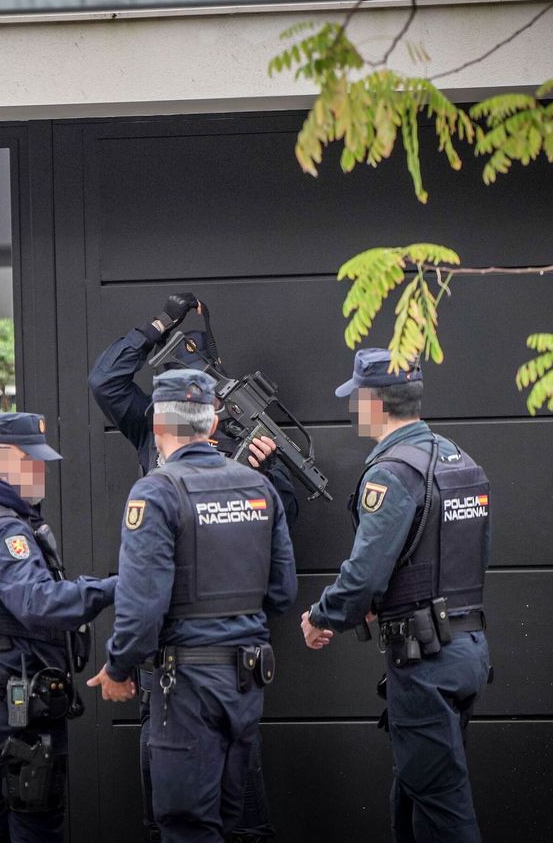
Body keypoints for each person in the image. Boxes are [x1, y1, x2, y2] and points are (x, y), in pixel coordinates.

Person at [87, 292, 295, 843]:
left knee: (196, 822)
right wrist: (159, 322)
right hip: (233, 666)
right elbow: (281, 590)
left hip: (184, 666)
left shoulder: (239, 455)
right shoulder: (161, 443)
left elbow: (142, 600)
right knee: (192, 816)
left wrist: (272, 468)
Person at [301, 349, 492, 843]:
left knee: (443, 810)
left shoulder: (392, 472)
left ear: (375, 402)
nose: (353, 409)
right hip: (466, 650)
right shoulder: (458, 460)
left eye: (357, 398)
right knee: (413, 798)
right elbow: (458, 560)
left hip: (426, 661)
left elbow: (364, 576)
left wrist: (322, 617)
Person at [0, 412, 118, 843]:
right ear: (1, 460)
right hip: (14, 705)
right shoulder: (3, 528)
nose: (41, 471)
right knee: (35, 831)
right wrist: (112, 588)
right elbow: (37, 603)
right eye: (31, 460)